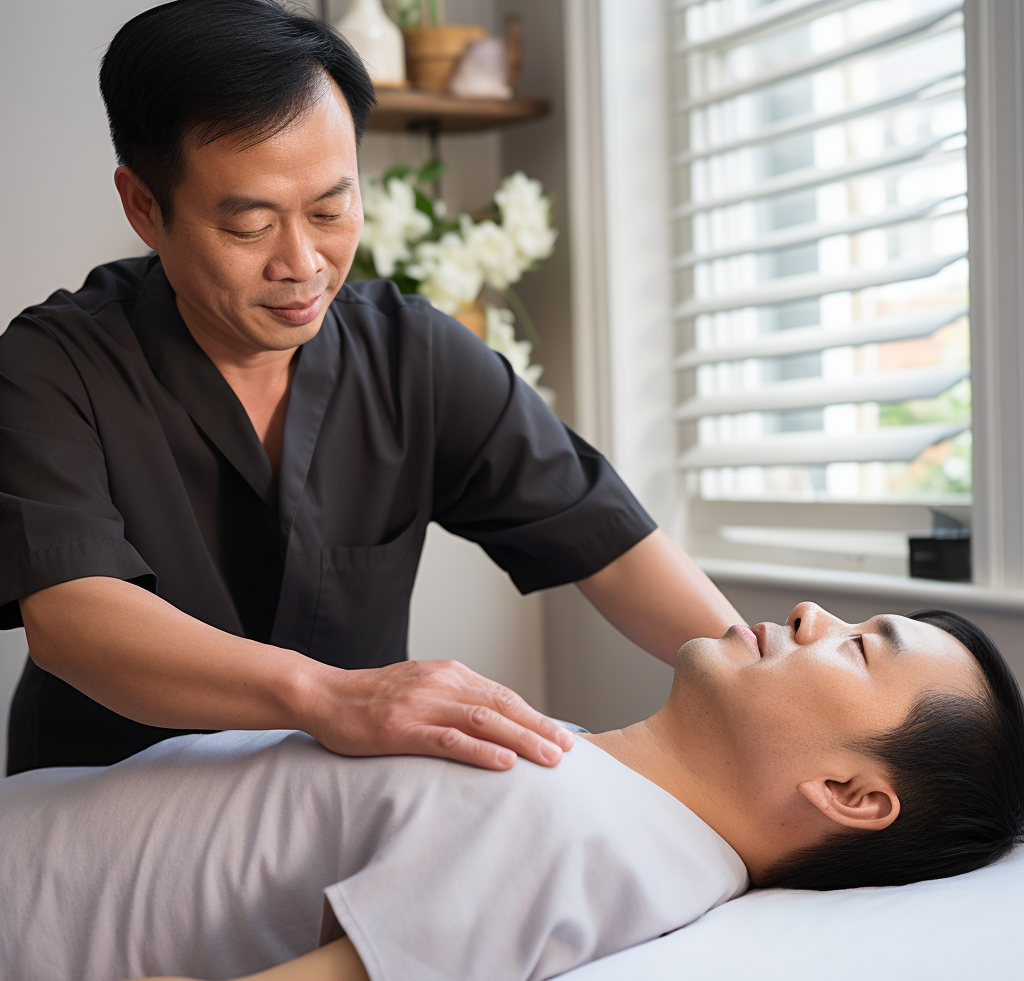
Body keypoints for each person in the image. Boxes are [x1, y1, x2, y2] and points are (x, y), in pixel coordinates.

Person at [0, 0, 741, 778]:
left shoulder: (411, 354)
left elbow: (609, 541)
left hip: (345, 825)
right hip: (105, 819)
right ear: (145, 206)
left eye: (331, 208)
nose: (303, 263)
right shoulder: (53, 366)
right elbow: (72, 617)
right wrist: (328, 696)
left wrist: (756, 670)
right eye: (251, 226)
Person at [2, 603, 1022, 981]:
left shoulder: (583, 843)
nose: (809, 614)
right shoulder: (593, 791)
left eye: (855, 647)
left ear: (849, 794)